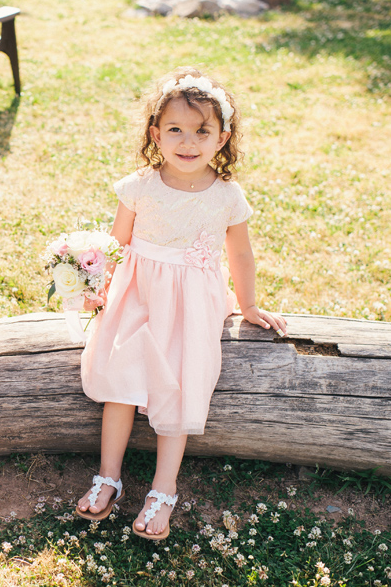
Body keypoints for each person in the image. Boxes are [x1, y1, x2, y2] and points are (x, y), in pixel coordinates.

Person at [74, 67, 286, 540]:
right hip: (137, 296)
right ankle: (108, 476)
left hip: (192, 303)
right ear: (155, 134)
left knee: (179, 384)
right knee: (122, 383)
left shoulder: (226, 195)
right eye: (175, 130)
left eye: (201, 131)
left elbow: (241, 253)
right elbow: (116, 245)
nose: (187, 142)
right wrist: (98, 287)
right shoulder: (139, 186)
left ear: (222, 138)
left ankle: (162, 490)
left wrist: (248, 305)